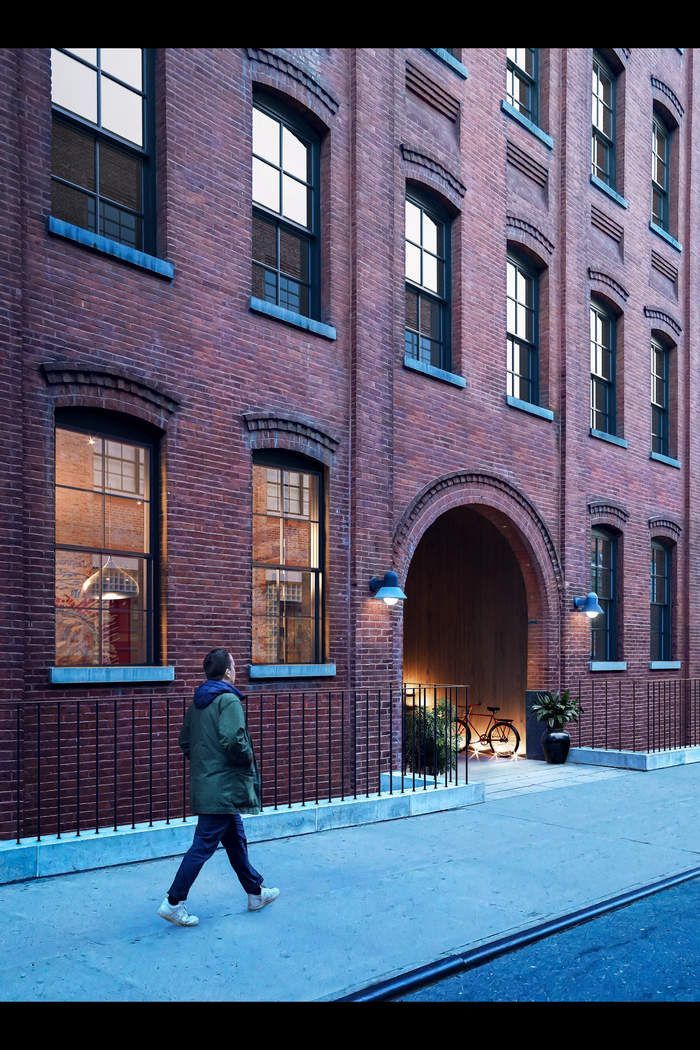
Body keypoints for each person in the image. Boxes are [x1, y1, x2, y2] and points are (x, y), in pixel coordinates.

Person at [157, 648, 279, 927]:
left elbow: (185, 741)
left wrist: (207, 763)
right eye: (234, 665)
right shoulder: (228, 700)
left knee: (236, 840)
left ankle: (255, 892)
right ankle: (173, 902)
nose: (236, 670)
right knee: (202, 846)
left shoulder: (199, 701)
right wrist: (246, 757)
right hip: (224, 788)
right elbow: (234, 740)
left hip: (211, 785)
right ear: (227, 672)